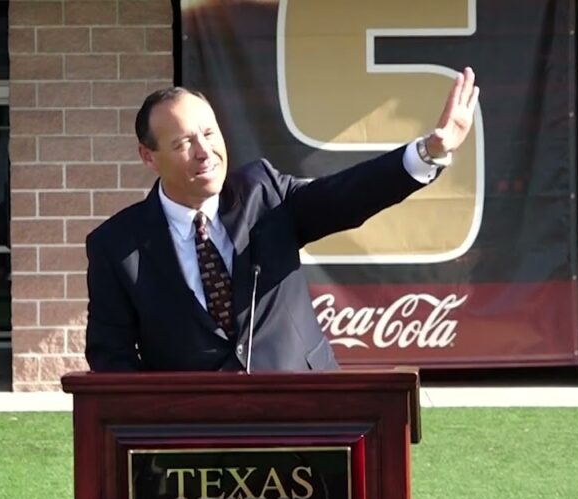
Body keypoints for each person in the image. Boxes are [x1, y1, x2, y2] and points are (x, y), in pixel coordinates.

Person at [85, 68, 480, 372]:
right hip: (196, 440)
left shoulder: (263, 193)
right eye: (184, 143)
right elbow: (111, 357)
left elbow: (344, 196)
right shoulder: (117, 246)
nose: (205, 152)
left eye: (209, 133)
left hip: (307, 416)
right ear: (147, 156)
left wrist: (427, 153)